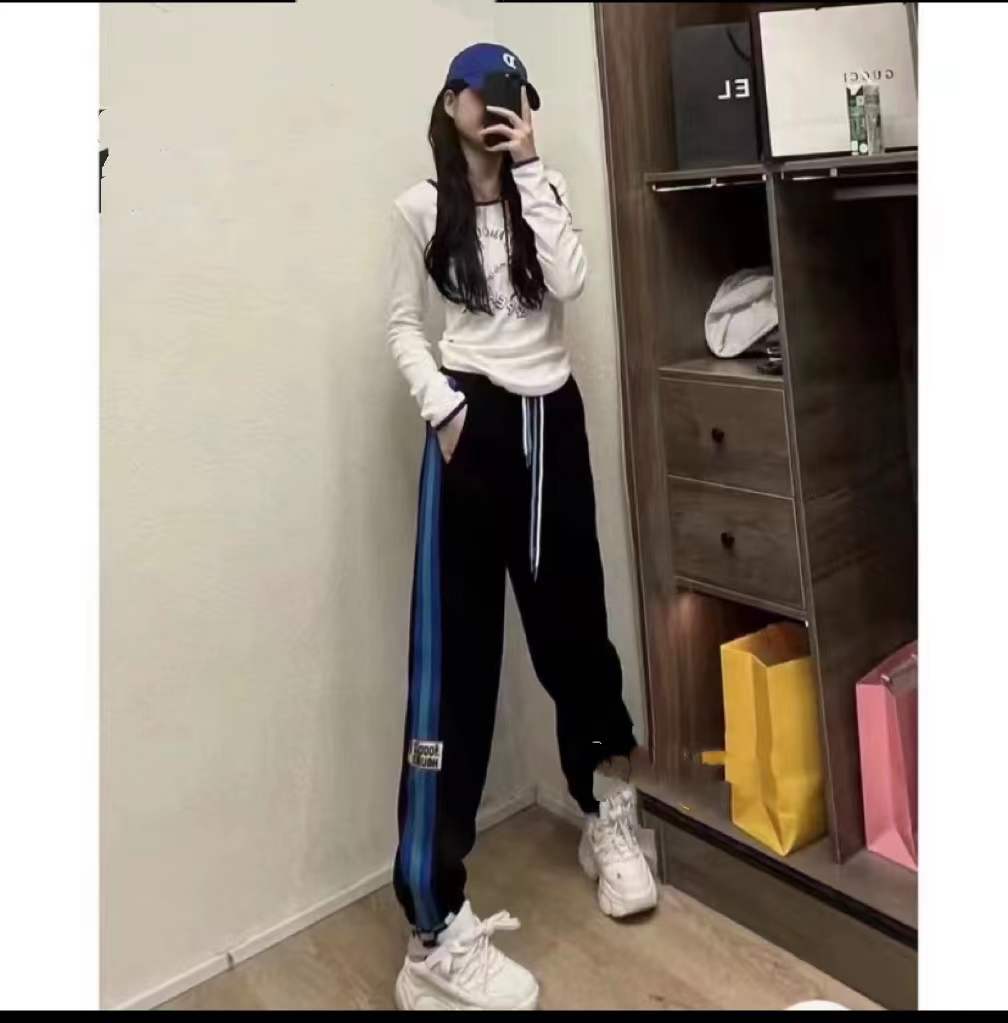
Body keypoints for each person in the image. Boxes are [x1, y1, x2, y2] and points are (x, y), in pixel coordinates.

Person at [385, 42, 657, 1012]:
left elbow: (572, 282)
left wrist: (534, 166)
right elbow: (402, 323)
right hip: (472, 424)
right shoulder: (420, 208)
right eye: (485, 93)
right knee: (454, 664)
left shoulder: (547, 187)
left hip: (553, 420)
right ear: (450, 101)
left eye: (516, 97)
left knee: (575, 630)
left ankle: (605, 807)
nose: (500, 109)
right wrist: (444, 409)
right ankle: (431, 926)